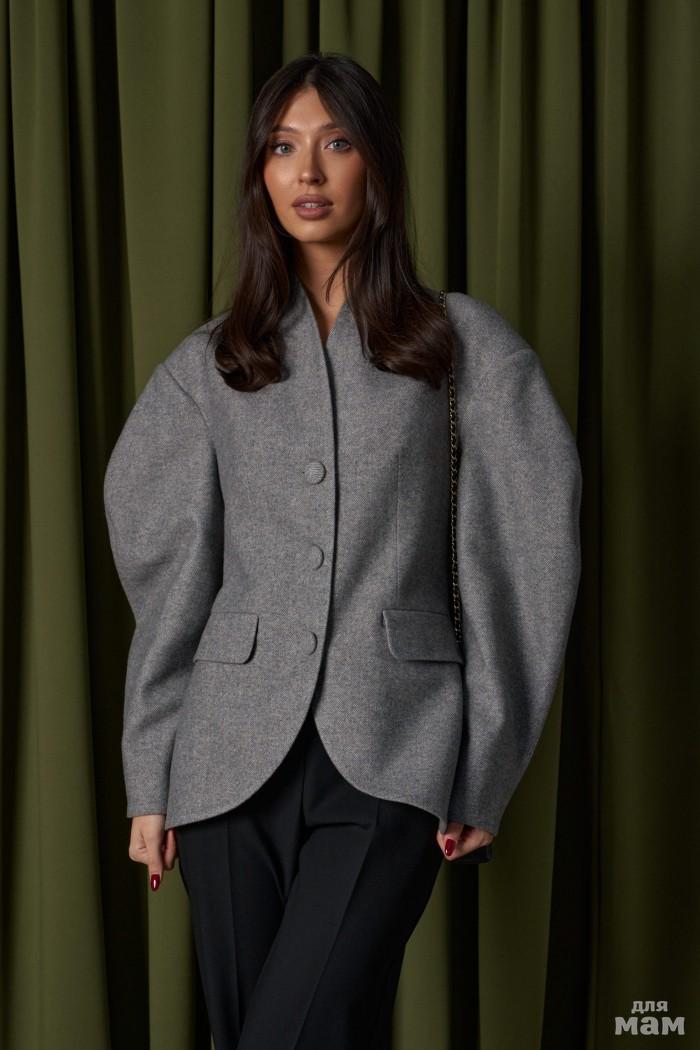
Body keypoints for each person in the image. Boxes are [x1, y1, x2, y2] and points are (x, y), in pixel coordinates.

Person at [103, 51, 582, 1050]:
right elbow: (170, 582)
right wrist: (151, 775)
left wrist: (486, 764)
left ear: (379, 165)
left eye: (337, 143)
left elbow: (524, 563)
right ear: (259, 173)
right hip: (224, 767)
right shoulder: (212, 365)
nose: (308, 172)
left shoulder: (463, 346)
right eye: (283, 148)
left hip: (393, 751)